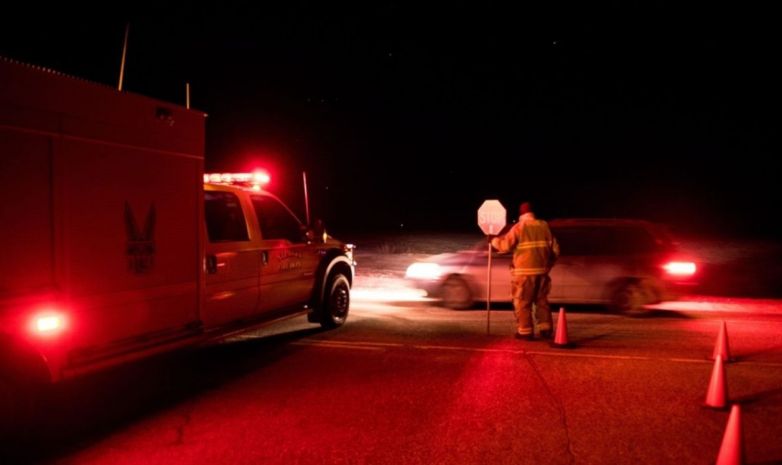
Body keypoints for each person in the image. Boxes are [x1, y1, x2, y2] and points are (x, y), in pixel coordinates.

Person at [490, 201, 560, 340]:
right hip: (542, 273)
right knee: (541, 301)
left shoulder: (519, 227)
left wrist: (493, 241)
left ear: (521, 214)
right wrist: (548, 265)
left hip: (523, 274)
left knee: (523, 302)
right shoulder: (544, 226)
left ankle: (525, 331)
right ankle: (546, 330)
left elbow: (505, 246)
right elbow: (556, 250)